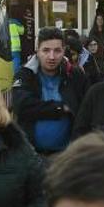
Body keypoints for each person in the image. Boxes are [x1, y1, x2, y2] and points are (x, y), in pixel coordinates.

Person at [11, 26, 89, 156]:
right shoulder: (25, 74)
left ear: (64, 50)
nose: (51, 57)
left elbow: (87, 110)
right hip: (31, 155)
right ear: (37, 50)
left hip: (68, 156)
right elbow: (22, 106)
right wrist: (60, 108)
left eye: (57, 51)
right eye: (46, 50)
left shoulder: (75, 75)